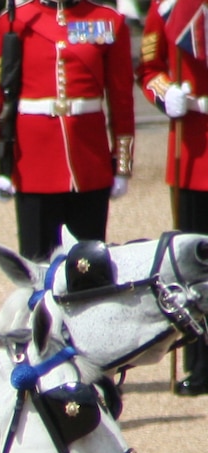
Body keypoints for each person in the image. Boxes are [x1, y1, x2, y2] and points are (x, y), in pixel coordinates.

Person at [0, 0, 134, 260]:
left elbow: (121, 99)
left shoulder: (107, 20)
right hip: (33, 161)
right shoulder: (14, 20)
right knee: (38, 261)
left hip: (88, 159)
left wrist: (122, 165)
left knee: (89, 266)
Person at [143, 0, 208, 394]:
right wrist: (167, 94)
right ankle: (200, 363)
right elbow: (149, 69)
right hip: (194, 150)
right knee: (193, 269)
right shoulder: (168, 7)